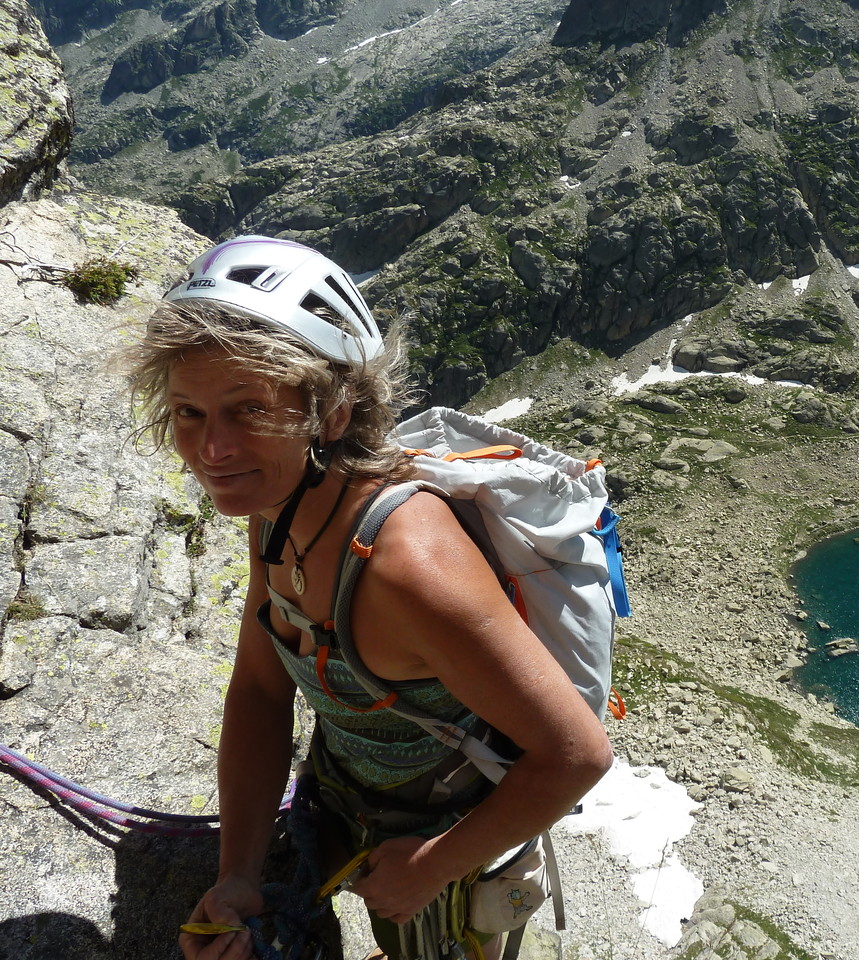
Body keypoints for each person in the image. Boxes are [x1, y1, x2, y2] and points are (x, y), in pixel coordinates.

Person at [124, 236, 613, 960]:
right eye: (189, 412)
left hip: (449, 831)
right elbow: (261, 688)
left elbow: (576, 756)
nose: (212, 449)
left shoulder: (407, 568)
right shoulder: (278, 506)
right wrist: (238, 876)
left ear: (333, 413)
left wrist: (434, 866)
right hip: (346, 791)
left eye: (248, 408)